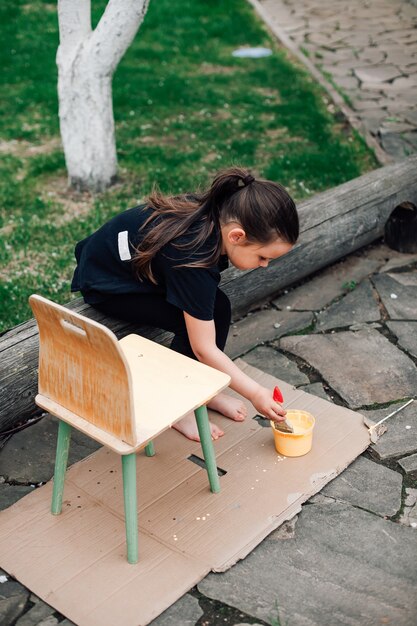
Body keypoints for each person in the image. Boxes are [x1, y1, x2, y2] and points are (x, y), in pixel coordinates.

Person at [71, 166, 299, 441]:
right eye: (262, 257)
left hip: (128, 266)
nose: (264, 266)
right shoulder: (193, 258)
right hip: (107, 284)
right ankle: (178, 406)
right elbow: (203, 348)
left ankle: (204, 390)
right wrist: (255, 393)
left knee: (217, 308)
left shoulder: (217, 210)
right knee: (194, 324)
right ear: (236, 236)